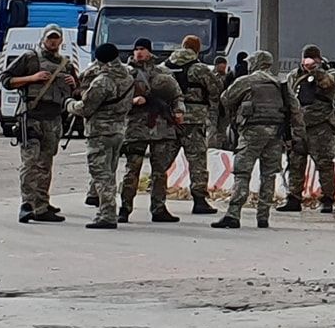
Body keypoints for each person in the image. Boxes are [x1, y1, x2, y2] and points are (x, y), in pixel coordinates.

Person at [4, 24, 81, 224]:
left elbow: (77, 93)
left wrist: (74, 86)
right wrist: (32, 78)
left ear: (61, 40)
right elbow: (6, 80)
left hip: (54, 119)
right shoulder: (30, 58)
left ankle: (41, 205)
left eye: (56, 38)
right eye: (50, 38)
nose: (53, 41)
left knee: (45, 164)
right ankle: (27, 205)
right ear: (44, 39)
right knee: (30, 162)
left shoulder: (66, 64)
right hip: (31, 117)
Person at [214, 51, 298, 229]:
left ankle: (233, 214)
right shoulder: (280, 83)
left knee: (242, 173)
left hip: (251, 132)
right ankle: (263, 216)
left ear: (255, 63)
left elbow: (225, 98)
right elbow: (294, 108)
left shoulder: (247, 81)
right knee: (269, 175)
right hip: (275, 134)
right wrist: (295, 135)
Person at [70, 42, 136, 231]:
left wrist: (69, 105)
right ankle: (107, 209)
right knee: (110, 171)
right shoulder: (128, 76)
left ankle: (107, 214)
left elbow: (86, 107)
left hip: (100, 132)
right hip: (118, 129)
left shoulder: (103, 80)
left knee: (101, 173)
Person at [118, 38, 185, 224]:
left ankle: (159, 208)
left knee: (160, 171)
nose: (139, 52)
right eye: (136, 49)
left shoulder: (162, 73)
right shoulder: (125, 74)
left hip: (161, 128)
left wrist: (179, 112)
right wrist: (132, 102)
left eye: (143, 49)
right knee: (132, 170)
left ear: (150, 51)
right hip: (135, 127)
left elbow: (177, 95)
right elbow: (115, 98)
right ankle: (124, 208)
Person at [165, 35, 225, 216]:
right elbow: (216, 90)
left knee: (162, 160)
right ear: (197, 50)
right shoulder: (200, 69)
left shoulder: (165, 67)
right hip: (194, 121)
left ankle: (157, 198)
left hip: (170, 120)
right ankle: (199, 201)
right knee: (197, 161)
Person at [283, 46, 335, 213]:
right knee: (295, 163)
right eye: (307, 59)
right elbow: (289, 99)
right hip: (299, 127)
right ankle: (294, 197)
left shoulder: (330, 73)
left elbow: (330, 84)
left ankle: (327, 199)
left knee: (324, 165)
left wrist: (316, 71)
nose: (309, 62)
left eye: (313, 59)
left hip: (320, 126)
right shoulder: (294, 76)